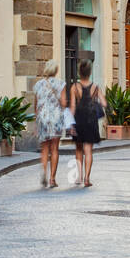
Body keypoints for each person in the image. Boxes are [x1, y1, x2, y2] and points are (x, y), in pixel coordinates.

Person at [68, 59, 104, 187]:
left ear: (79, 72)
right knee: (88, 150)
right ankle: (87, 179)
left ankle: (79, 177)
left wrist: (71, 124)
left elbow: (72, 107)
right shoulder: (95, 87)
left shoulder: (74, 87)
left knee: (78, 148)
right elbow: (104, 103)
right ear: (90, 72)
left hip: (78, 119)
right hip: (91, 120)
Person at [33, 60, 66, 188]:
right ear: (56, 70)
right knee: (55, 148)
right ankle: (52, 179)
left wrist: (37, 121)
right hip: (56, 118)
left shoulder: (38, 85)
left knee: (45, 148)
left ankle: (44, 172)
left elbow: (36, 105)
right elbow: (63, 103)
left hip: (43, 118)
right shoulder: (60, 84)